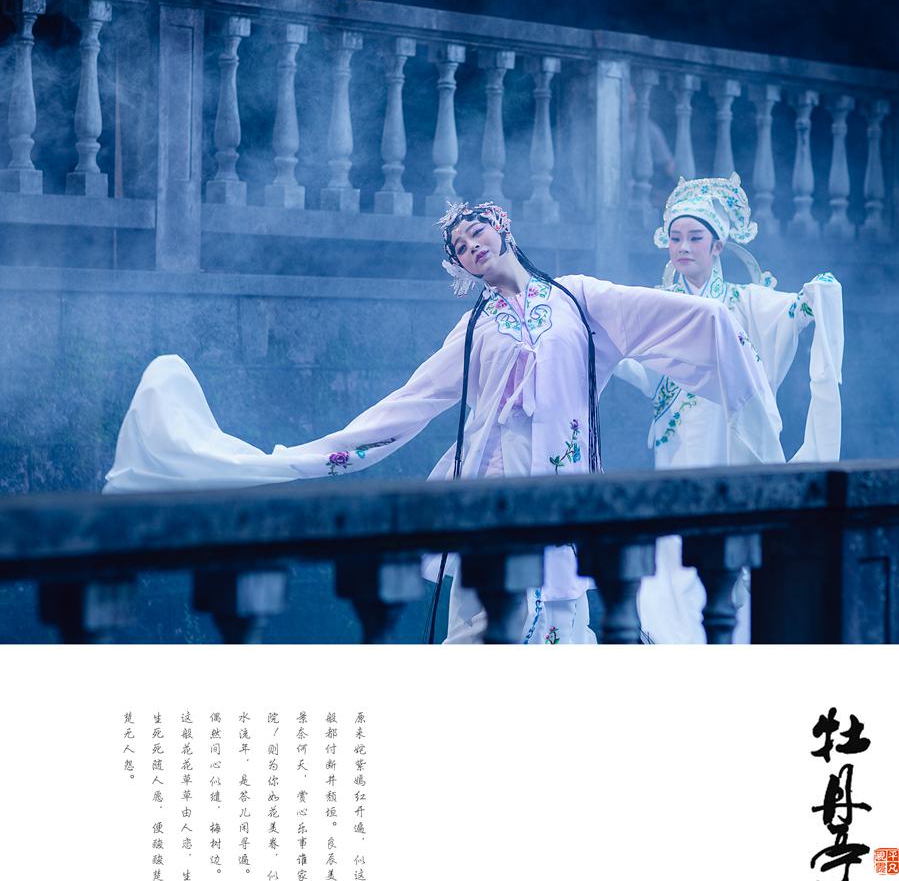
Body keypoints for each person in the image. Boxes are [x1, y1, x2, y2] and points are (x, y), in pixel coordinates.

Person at [105, 200, 784, 643]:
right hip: (488, 498)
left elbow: (682, 317)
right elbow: (407, 406)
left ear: (504, 229)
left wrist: (740, 341)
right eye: (459, 246)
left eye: (476, 231)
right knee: (483, 634)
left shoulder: (580, 299)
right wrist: (307, 458)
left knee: (564, 635)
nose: (470, 244)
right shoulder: (472, 331)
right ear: (459, 266)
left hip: (564, 499)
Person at [614, 173, 845, 643]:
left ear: (717, 245)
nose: (683, 247)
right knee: (674, 540)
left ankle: (734, 640)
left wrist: (814, 298)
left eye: (695, 237)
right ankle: (675, 640)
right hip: (678, 441)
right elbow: (637, 361)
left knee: (730, 536)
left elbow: (793, 314)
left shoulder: (744, 301)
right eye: (676, 238)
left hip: (729, 435)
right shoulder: (660, 305)